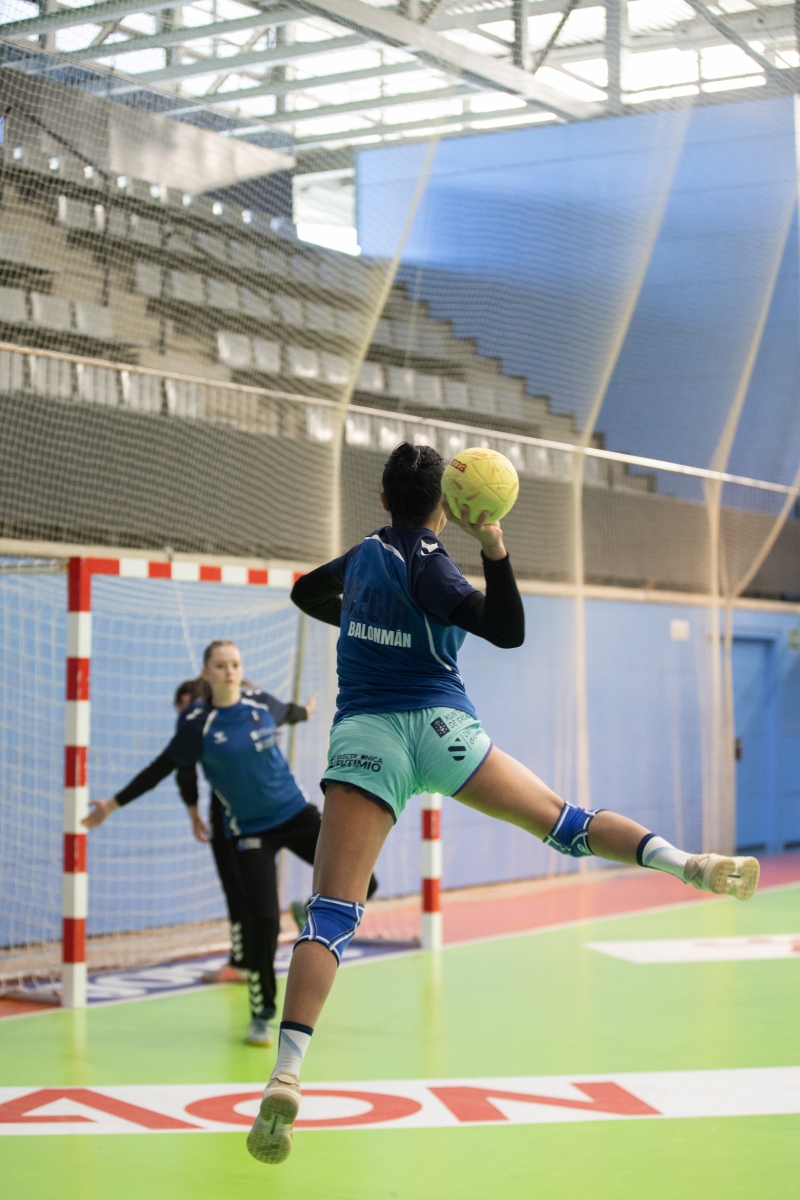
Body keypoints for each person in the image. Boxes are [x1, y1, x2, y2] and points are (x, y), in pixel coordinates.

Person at [246, 441, 761, 1165]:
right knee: (565, 822)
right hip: (443, 730)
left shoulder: (363, 557)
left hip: (368, 736)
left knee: (332, 912)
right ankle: (688, 864)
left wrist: (365, 624)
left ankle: (286, 1076)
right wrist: (493, 547)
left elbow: (305, 594)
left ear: (384, 499)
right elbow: (508, 630)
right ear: (446, 507)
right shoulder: (434, 563)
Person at [84, 640, 377, 1046]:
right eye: (221, 665)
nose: (230, 671)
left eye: (235, 664)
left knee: (366, 883)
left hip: (296, 815)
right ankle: (262, 1014)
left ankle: (304, 910)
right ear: (207, 673)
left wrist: (306, 712)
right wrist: (112, 805)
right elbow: (160, 769)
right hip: (250, 831)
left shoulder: (260, 703)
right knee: (263, 923)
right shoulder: (197, 725)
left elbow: (289, 712)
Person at [172, 678, 249, 985]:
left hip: (231, 810)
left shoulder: (199, 719)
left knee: (238, 888)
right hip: (264, 807)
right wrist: (303, 711)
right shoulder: (246, 707)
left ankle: (243, 963)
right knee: (255, 887)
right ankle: (256, 959)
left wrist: (193, 813)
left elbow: (185, 769)